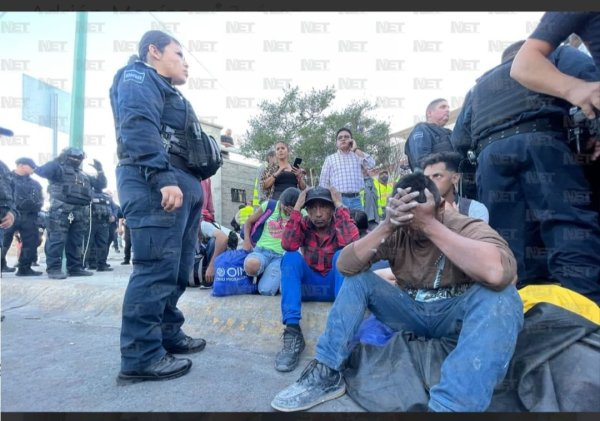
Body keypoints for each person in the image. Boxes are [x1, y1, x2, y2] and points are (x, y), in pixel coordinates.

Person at [271, 173, 523, 412]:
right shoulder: (397, 228)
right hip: (410, 310)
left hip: (454, 314)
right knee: (358, 280)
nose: (413, 226)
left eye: (419, 217)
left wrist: (429, 225)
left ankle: (452, 406)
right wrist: (387, 226)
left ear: (442, 208)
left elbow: (499, 273)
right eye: (407, 218)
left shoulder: (464, 225)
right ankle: (327, 371)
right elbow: (345, 266)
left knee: (502, 296)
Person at [452, 39, 600, 304]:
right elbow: (593, 82)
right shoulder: (553, 56)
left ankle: (525, 309)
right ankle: (586, 311)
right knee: (566, 225)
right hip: (542, 142)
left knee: (509, 239)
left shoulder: (478, 88)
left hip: (491, 157)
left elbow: (459, 140)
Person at [110, 30, 208, 383]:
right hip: (156, 184)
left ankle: (166, 334)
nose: (185, 62)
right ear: (154, 51)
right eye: (179, 54)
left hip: (179, 185)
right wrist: (162, 175)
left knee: (177, 269)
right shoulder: (138, 76)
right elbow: (137, 126)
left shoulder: (167, 89)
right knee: (154, 269)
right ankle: (141, 355)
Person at [275, 186, 360, 372]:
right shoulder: (303, 223)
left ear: (331, 209)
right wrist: (297, 208)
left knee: (342, 255)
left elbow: (353, 243)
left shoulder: (339, 223)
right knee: (290, 257)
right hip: (309, 287)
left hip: (333, 288)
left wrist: (340, 205)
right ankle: (292, 332)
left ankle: (342, 335)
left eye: (324, 207)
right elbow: (288, 244)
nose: (318, 214)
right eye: (312, 208)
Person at [35, 147, 105, 279]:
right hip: (61, 209)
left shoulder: (83, 175)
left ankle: (75, 267)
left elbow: (100, 185)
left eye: (80, 158)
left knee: (76, 241)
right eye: (74, 157)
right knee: (57, 239)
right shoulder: (58, 169)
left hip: (80, 211)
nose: (77, 159)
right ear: (66, 156)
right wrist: (57, 161)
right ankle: (54, 268)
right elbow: (41, 171)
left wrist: (100, 171)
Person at [242, 187, 301, 296]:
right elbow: (248, 222)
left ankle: (269, 276)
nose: (288, 211)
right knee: (251, 266)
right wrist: (246, 240)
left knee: (266, 290)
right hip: (261, 251)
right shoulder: (269, 205)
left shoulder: (301, 212)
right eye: (286, 208)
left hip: (280, 257)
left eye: (292, 209)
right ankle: (262, 272)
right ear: (281, 202)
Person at [1, 157, 43, 276]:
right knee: (4, 241)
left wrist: (37, 205)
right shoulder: (7, 177)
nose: (33, 169)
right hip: (10, 214)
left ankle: (25, 268)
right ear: (22, 165)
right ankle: (1, 265)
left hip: (29, 216)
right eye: (31, 166)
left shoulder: (35, 183)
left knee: (31, 242)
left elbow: (41, 199)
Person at [421, 152, 489, 222]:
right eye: (426, 178)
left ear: (455, 178)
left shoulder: (474, 209)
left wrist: (456, 221)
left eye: (437, 176)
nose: (429, 182)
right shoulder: (419, 210)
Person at [319, 128, 376, 210]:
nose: (343, 139)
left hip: (357, 200)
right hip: (338, 201)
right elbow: (323, 183)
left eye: (346, 137)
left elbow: (371, 164)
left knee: (358, 223)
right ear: (336, 143)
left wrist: (355, 149)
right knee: (340, 223)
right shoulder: (330, 159)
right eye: (340, 137)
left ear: (351, 140)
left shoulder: (357, 155)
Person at [404, 98, 453, 171]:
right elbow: (422, 161)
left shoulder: (449, 132)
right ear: (429, 113)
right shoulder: (422, 129)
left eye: (448, 108)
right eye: (443, 107)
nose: (447, 110)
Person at [84, 166, 114, 272]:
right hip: (91, 221)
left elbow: (112, 207)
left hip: (104, 223)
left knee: (102, 244)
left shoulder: (106, 196)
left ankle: (102, 264)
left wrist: (112, 215)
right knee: (89, 243)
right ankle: (89, 263)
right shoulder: (88, 193)